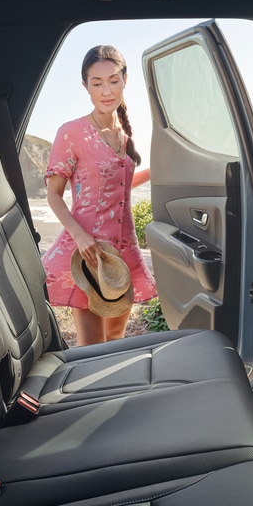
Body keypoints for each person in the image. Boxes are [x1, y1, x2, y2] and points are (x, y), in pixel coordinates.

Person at [42, 45, 157, 345]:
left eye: (114, 81)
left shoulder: (126, 136)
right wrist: (80, 237)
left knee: (116, 337)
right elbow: (54, 195)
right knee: (92, 346)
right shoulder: (72, 133)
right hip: (88, 254)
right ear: (85, 86)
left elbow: (119, 187)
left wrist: (158, 170)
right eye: (97, 83)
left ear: (125, 80)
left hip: (123, 252)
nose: (106, 91)